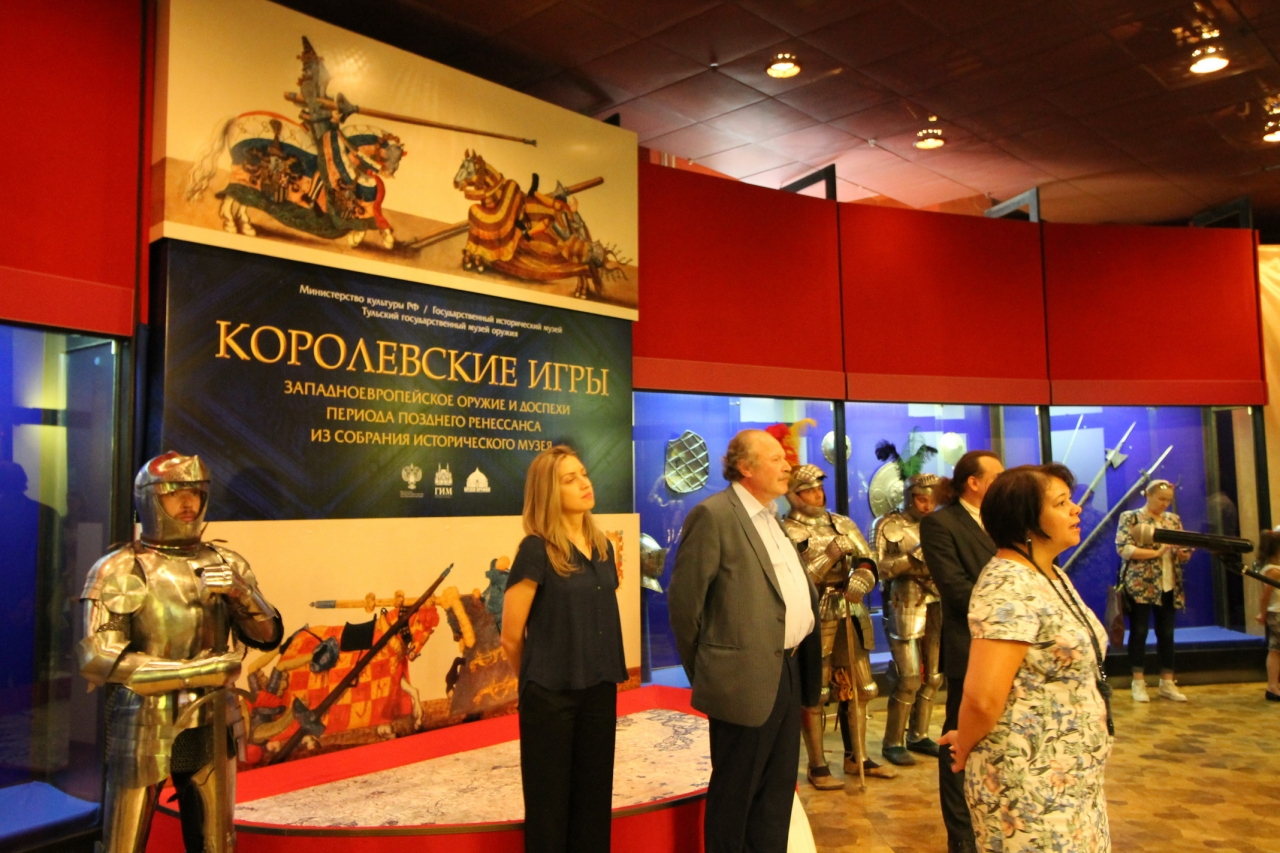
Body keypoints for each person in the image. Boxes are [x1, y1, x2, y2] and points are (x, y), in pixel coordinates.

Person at [79, 452, 283, 853]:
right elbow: (99, 657)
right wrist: (200, 672)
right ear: (150, 499)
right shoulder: (121, 568)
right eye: (174, 494)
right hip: (143, 722)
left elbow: (267, 635)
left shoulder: (225, 562)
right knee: (123, 843)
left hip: (212, 721)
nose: (187, 503)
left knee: (216, 843)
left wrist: (243, 593)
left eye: (195, 493)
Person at [939, 463, 1112, 853]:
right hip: (1029, 784)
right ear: (1026, 521)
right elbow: (982, 697)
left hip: (1071, 778)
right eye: (1061, 503)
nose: (1076, 509)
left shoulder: (1050, 574)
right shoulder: (1007, 584)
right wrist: (965, 741)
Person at [668, 430, 820, 853]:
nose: (787, 465)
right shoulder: (713, 515)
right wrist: (714, 673)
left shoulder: (773, 516)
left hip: (788, 669)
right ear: (745, 467)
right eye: (775, 459)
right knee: (737, 796)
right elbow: (685, 606)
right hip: (741, 680)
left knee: (776, 794)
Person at [501, 445, 627, 853]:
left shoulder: (603, 547)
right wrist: (537, 681)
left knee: (593, 805)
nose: (584, 483)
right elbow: (510, 636)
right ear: (549, 492)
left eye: (584, 474)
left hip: (599, 689)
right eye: (569, 479)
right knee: (549, 811)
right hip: (550, 697)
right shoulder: (535, 550)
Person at [781, 464, 894, 790]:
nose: (818, 495)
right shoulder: (786, 530)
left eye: (820, 488)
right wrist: (828, 556)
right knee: (816, 692)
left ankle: (857, 756)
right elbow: (793, 580)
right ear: (793, 495)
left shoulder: (842, 522)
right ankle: (817, 764)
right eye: (810, 490)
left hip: (850, 608)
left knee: (861, 687)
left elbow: (868, 558)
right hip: (814, 613)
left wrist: (863, 577)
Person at [920, 450, 1003, 853]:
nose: (1003, 482)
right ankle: (962, 834)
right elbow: (955, 588)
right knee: (959, 737)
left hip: (1010, 648)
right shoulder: (941, 523)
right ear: (973, 482)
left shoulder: (1004, 520)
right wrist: (1012, 607)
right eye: (996, 476)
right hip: (970, 644)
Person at [874, 472, 943, 766]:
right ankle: (893, 741)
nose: (927, 505)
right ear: (909, 497)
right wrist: (914, 559)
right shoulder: (889, 525)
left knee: (934, 677)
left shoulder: (940, 525)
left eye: (932, 500)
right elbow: (879, 567)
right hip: (904, 602)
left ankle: (919, 734)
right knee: (909, 677)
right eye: (921, 499)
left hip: (937, 600)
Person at [1115, 479, 1192, 702]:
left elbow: (1183, 548)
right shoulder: (1131, 517)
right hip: (1140, 583)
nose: (1164, 504)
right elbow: (1124, 549)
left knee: (1167, 633)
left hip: (1169, 582)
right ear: (1148, 495)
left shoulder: (1172, 520)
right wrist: (1156, 553)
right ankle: (1138, 681)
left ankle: (1167, 681)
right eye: (1161, 499)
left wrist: (1183, 554)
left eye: (1168, 500)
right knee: (1139, 631)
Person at [1254, 530, 1280, 702]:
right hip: (1278, 612)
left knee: (1275, 650)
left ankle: (1273, 686)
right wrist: (1262, 613)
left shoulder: (1269, 569)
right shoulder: (1274, 571)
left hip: (1275, 612)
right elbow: (1265, 596)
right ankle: (1273, 686)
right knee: (1275, 650)